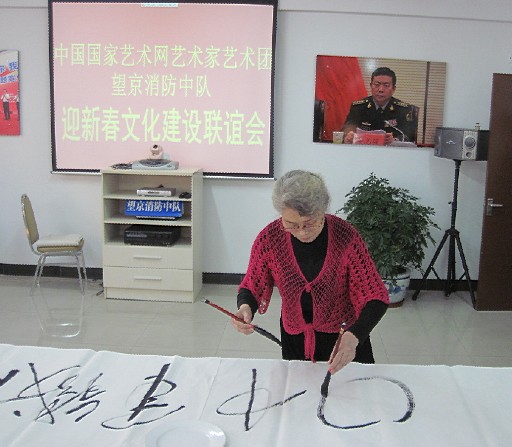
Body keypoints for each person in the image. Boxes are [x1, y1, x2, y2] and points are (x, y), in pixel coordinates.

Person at [231, 170, 389, 375]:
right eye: (292, 224)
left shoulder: (346, 237)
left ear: (323, 211)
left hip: (345, 340)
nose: (302, 231)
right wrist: (245, 307)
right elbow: (252, 285)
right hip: (295, 341)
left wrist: (354, 337)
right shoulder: (270, 239)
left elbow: (375, 297)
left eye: (310, 223)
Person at [341, 67, 418, 145]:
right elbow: (347, 129)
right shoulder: (358, 107)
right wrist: (348, 136)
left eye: (386, 85)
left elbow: (410, 137)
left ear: (393, 89)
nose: (381, 89)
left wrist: (395, 140)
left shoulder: (404, 110)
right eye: (376, 85)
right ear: (371, 86)